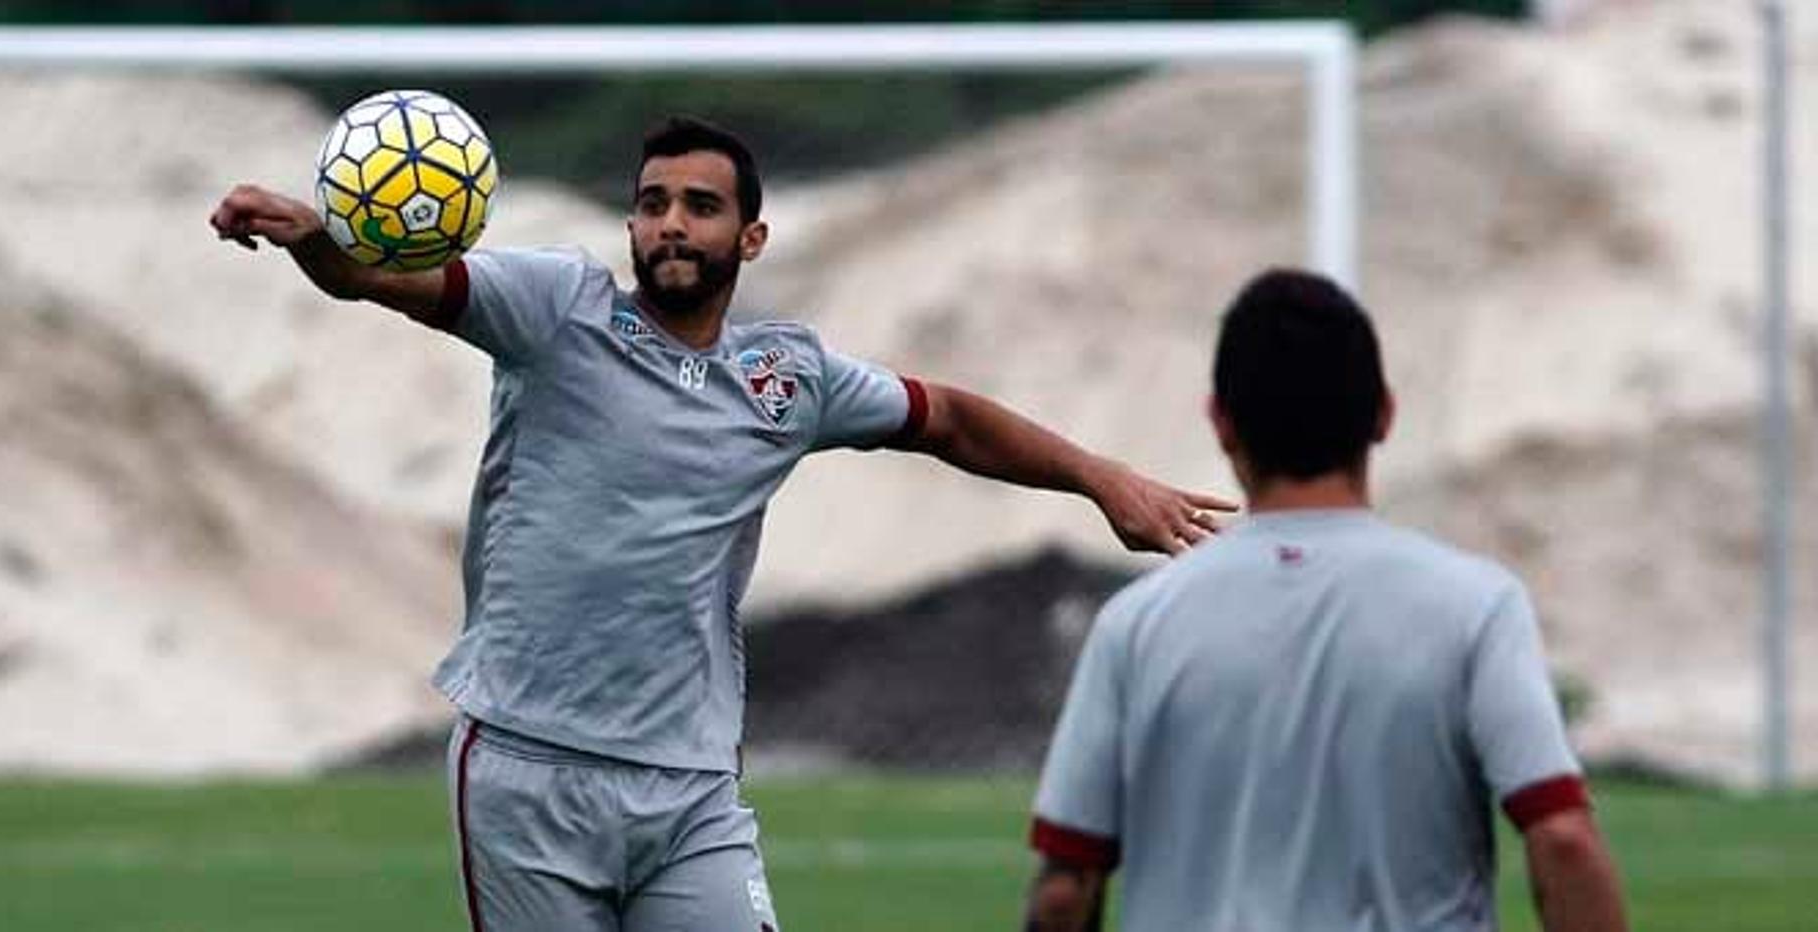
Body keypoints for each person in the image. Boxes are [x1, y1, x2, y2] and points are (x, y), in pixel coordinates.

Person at [210, 115, 1234, 932]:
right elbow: (385, 278)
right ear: (629, 229)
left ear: (749, 238)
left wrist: (1104, 479)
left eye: (700, 206)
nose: (670, 223)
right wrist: (319, 243)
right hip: (526, 766)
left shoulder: (786, 379)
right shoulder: (554, 311)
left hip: (689, 784)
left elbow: (951, 418)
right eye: (652, 203)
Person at [1024, 270, 1628, 932]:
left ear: (1222, 423)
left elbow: (1065, 889)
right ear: (1385, 414)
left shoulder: (1136, 623)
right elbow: (1564, 840)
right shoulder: (1476, 606)